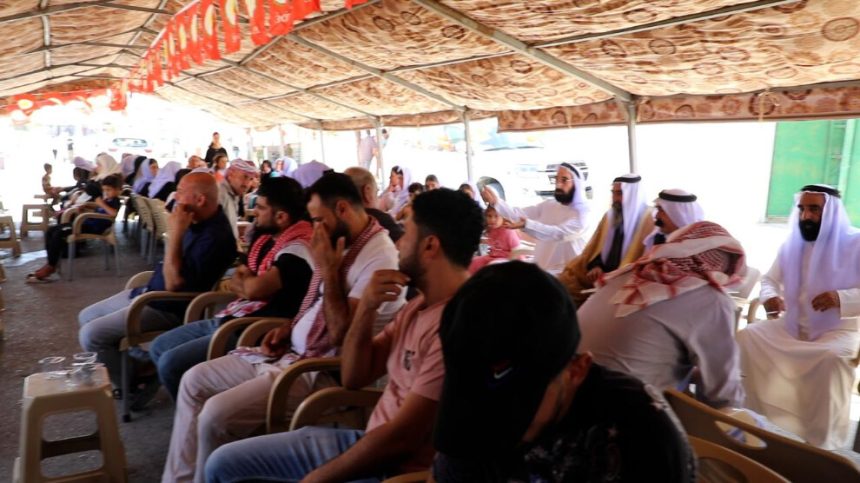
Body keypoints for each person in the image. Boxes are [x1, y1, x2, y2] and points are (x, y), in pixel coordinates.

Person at [204, 188, 485, 483]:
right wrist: (366, 309)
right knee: (224, 463)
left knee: (227, 459)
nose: (398, 242)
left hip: (392, 469)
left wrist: (317, 479)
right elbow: (353, 376)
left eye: (406, 232)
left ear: (430, 246)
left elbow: (401, 440)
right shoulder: (417, 306)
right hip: (370, 441)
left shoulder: (456, 327)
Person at [161, 173, 404, 482]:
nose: (315, 228)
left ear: (342, 209)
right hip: (289, 353)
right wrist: (291, 327)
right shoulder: (343, 240)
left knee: (215, 416)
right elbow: (319, 307)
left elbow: (340, 332)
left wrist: (328, 270)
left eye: (319, 220)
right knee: (193, 381)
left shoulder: (379, 257)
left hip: (316, 371)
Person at [431, 262, 696, 482]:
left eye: (515, 406)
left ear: (577, 370)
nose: (491, 423)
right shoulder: (469, 417)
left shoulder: (643, 435)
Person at [150, 177, 314, 400]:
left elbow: (253, 289)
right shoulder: (266, 239)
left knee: (170, 364)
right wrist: (247, 285)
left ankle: (195, 408)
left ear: (281, 217)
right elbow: (240, 279)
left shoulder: (297, 250)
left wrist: (248, 284)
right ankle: (192, 404)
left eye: (261, 208)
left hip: (251, 329)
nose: (254, 212)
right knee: (158, 347)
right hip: (231, 316)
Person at [77, 172, 236, 397]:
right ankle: (137, 368)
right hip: (148, 293)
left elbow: (173, 284)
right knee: (86, 316)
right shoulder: (195, 220)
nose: (175, 197)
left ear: (200, 200)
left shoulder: (216, 237)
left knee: (91, 336)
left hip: (168, 306)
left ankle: (133, 383)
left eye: (180, 192)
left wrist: (175, 233)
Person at [736, 185, 860, 449]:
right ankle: (755, 421)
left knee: (832, 359)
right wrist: (770, 296)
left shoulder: (856, 243)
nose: (806, 216)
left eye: (814, 209)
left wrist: (841, 298)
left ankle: (821, 444)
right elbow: (769, 280)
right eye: (802, 209)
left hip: (838, 330)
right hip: (791, 326)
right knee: (747, 337)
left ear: (832, 212)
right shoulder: (791, 245)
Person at [578, 221, 746, 409]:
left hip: (568, 392)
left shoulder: (628, 275)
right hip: (620, 412)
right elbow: (723, 394)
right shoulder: (711, 300)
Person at [559, 174, 654, 304]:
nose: (615, 199)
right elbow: (596, 246)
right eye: (613, 193)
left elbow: (648, 258)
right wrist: (596, 265)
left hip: (628, 276)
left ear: (633, 195)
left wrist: (615, 275)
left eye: (619, 194)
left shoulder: (649, 219)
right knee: (566, 281)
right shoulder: (609, 216)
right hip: (602, 272)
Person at [481, 163, 590, 274]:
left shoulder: (581, 214)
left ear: (576, 184)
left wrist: (527, 225)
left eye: (564, 180)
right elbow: (518, 214)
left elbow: (557, 233)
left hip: (568, 273)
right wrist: (496, 202)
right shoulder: (550, 205)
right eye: (556, 179)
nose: (558, 184)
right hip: (542, 268)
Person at [27, 174, 123, 282]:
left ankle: (50, 267)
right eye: (104, 190)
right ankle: (51, 263)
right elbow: (99, 208)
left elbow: (113, 213)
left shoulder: (115, 201)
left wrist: (101, 203)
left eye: (109, 190)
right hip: (85, 224)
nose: (106, 192)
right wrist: (86, 206)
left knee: (59, 234)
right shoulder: (108, 200)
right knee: (51, 230)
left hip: (94, 228)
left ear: (118, 190)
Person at [345, 166, 404, 243]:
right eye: (376, 192)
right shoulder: (378, 219)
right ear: (367, 192)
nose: (378, 198)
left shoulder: (343, 223)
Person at [469, 205, 520, 274]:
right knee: (473, 262)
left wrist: (520, 266)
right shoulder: (491, 229)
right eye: (489, 216)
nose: (492, 220)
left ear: (504, 217)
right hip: (492, 257)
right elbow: (494, 243)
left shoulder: (509, 231)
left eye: (496, 216)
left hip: (506, 259)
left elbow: (518, 250)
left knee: (492, 267)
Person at [218, 159, 257, 239]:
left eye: (251, 179)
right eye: (245, 177)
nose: (247, 184)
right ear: (230, 174)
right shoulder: (220, 194)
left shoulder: (234, 194)